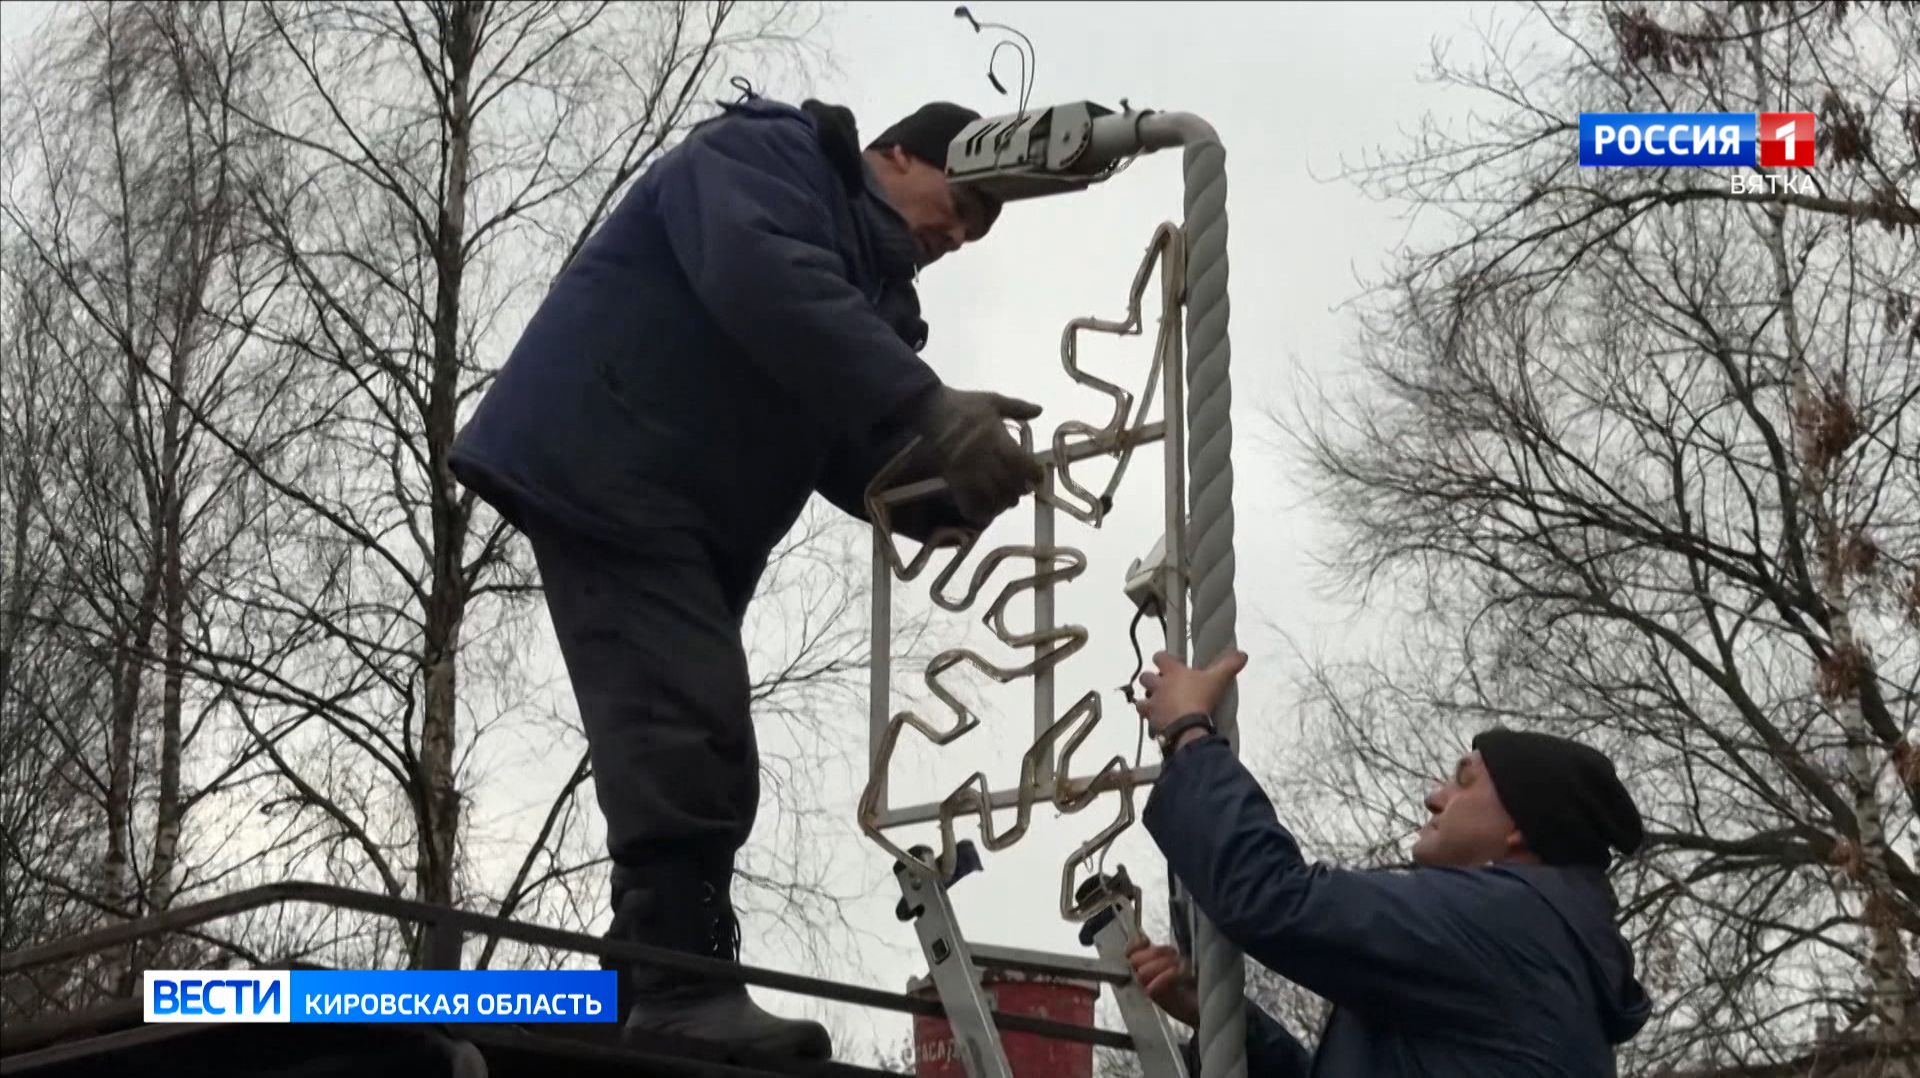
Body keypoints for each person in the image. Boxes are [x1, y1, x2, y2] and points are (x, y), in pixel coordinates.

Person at [448, 90, 1045, 1060]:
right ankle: (680, 986)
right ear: (895, 154)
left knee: (692, 728)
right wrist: (927, 403)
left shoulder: (866, 298)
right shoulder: (774, 157)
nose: (962, 234)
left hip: (671, 503)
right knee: (691, 722)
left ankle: (638, 982)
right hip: (612, 457)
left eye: (980, 226)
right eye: (963, 201)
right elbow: (760, 272)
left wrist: (946, 491)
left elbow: (853, 444)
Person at [1126, 650, 1652, 1076]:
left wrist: (1190, 733)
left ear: (1520, 828)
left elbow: (1276, 898)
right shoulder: (1532, 953)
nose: (1434, 797)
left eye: (1464, 780)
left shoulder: (1512, 924)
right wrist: (1225, 1022)